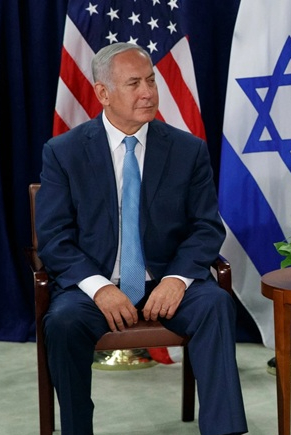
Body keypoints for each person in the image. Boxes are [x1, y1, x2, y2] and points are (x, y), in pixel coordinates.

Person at [35, 42, 247, 435]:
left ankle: (224, 431)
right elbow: (53, 237)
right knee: (62, 322)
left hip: (166, 280)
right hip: (94, 286)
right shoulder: (64, 153)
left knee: (215, 304)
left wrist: (177, 279)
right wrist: (100, 288)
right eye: (134, 84)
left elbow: (206, 227)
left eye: (151, 80)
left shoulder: (187, 150)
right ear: (103, 93)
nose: (148, 92)